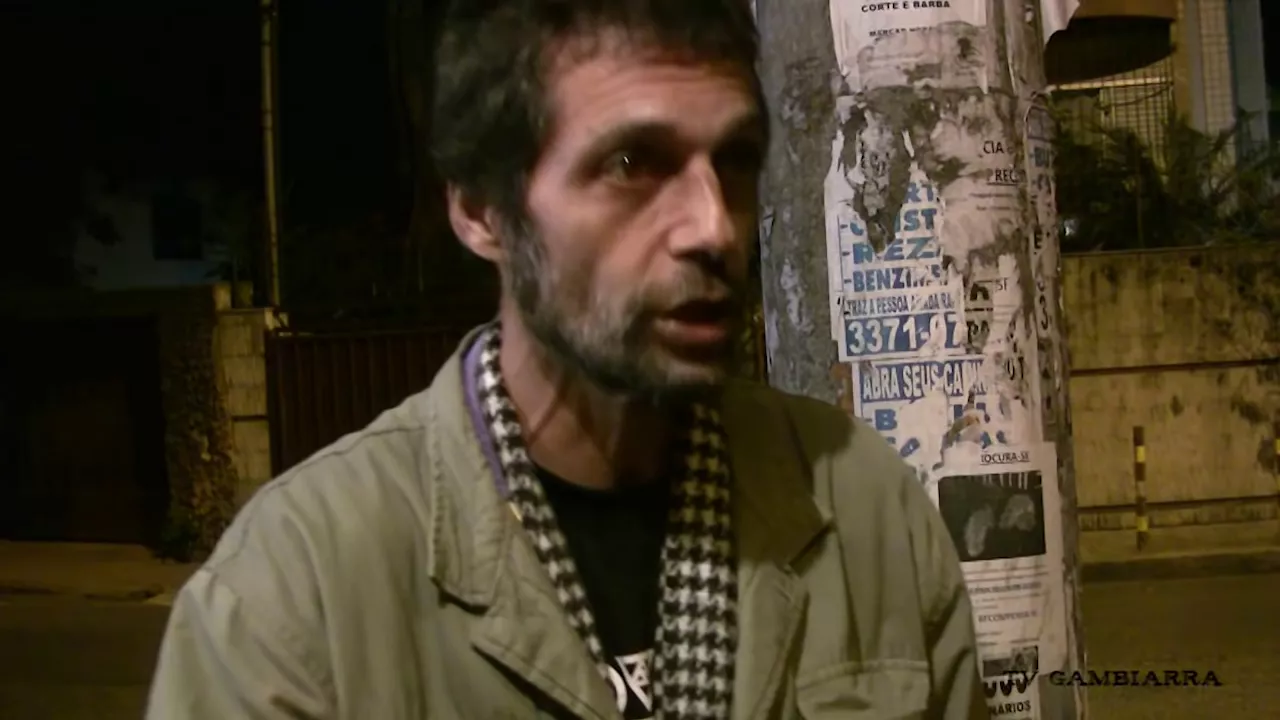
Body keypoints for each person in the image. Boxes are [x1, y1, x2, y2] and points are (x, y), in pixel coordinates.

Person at [146, 1, 988, 718]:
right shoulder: (294, 597)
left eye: (732, 162)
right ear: (483, 210)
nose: (714, 228)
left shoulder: (863, 510)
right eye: (631, 164)